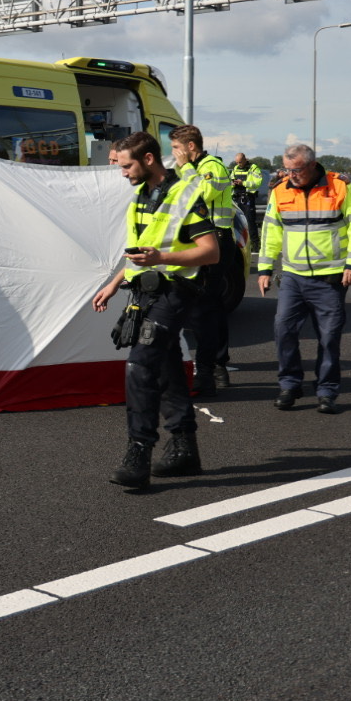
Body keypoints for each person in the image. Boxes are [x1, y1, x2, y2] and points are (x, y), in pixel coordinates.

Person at [91, 131, 220, 488]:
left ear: (149, 159)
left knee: (141, 364)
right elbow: (141, 251)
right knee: (165, 365)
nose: (123, 173)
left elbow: (211, 252)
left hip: (175, 291)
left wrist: (162, 257)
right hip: (144, 292)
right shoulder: (141, 196)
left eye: (127, 165)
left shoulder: (184, 194)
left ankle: (139, 451)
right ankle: (184, 449)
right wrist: (114, 283)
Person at [257, 142, 351, 414]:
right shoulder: (280, 190)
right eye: (287, 169)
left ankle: (326, 391)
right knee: (283, 330)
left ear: (312, 165)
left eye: (296, 170)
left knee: (329, 338)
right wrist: (265, 269)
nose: (291, 175)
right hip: (293, 277)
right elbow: (271, 232)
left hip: (329, 279)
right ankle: (289, 385)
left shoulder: (339, 187)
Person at [168, 125, 235, 396]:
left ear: (190, 147)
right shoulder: (187, 168)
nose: (173, 153)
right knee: (206, 307)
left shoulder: (212, 167)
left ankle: (213, 368)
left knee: (207, 307)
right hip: (195, 241)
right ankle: (215, 365)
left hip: (215, 241)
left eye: (176, 147)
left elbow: (198, 197)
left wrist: (184, 168)